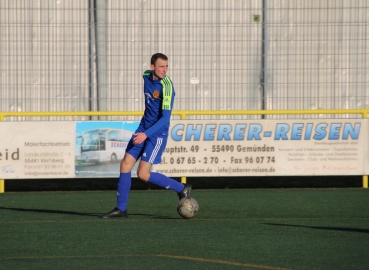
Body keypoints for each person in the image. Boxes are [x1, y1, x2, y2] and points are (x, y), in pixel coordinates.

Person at [101, 53, 191, 218]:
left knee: (143, 174)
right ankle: (121, 209)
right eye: (161, 66)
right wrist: (142, 132)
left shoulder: (167, 86)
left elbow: (165, 119)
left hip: (157, 134)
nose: (165, 70)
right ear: (152, 67)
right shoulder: (146, 76)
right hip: (143, 128)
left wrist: (146, 134)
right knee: (125, 164)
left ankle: (181, 188)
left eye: (167, 66)